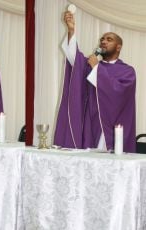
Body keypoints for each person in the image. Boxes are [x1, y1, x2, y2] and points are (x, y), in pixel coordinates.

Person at [54, 11, 136, 152]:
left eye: (109, 39)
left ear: (118, 47)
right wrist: (71, 31)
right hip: (91, 126)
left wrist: (96, 68)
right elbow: (75, 62)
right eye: (102, 39)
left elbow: (118, 92)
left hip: (112, 131)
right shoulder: (91, 66)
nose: (103, 41)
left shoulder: (127, 71)